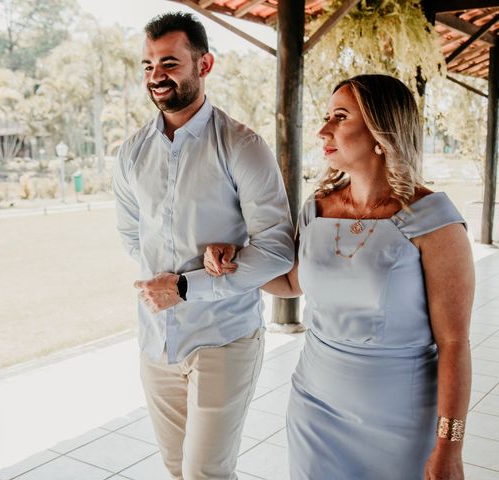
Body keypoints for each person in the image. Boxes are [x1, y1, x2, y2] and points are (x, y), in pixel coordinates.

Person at [204, 74, 474, 480]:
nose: (322, 130)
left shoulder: (435, 222)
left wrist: (449, 448)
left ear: (381, 130)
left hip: (400, 421)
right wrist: (234, 260)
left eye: (340, 117)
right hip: (316, 407)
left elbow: (453, 344)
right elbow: (292, 284)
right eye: (326, 116)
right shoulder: (316, 208)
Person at [112, 12, 295, 480]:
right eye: (149, 65)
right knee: (177, 472)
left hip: (224, 338)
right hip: (156, 342)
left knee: (205, 474)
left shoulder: (243, 146)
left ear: (204, 64)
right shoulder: (131, 153)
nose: (157, 76)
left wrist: (186, 286)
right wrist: (164, 286)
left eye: (170, 63)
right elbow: (134, 235)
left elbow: (276, 250)